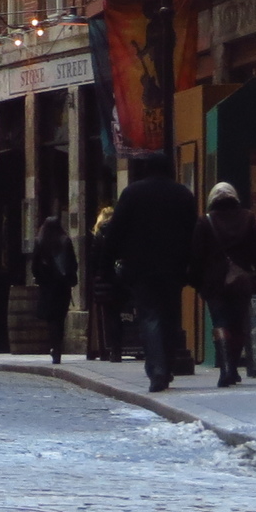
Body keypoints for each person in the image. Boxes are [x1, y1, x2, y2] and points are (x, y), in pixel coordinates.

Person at [96, 151, 199, 392]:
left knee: (150, 317)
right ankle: (168, 365)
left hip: (141, 267)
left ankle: (158, 369)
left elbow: (115, 233)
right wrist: (192, 265)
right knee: (171, 317)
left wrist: (105, 267)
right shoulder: (182, 194)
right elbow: (193, 234)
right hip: (174, 267)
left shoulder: (132, 193)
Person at [192, 180, 256, 387]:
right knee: (238, 324)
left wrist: (195, 281)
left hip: (214, 283)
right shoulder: (247, 218)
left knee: (221, 322)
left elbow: (196, 256)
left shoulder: (205, 221)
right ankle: (234, 367)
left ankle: (225, 368)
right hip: (241, 280)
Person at [31, 213, 78, 364]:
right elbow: (73, 263)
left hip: (47, 286)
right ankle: (58, 348)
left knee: (51, 319)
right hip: (62, 286)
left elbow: (34, 265)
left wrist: (40, 278)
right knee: (60, 317)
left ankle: (54, 347)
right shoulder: (65, 241)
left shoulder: (40, 241)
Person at [85, 204, 124, 361]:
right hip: (121, 279)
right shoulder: (121, 232)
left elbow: (94, 259)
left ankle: (107, 349)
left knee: (108, 315)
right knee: (120, 315)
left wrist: (97, 276)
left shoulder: (100, 234)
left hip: (105, 280)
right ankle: (117, 348)